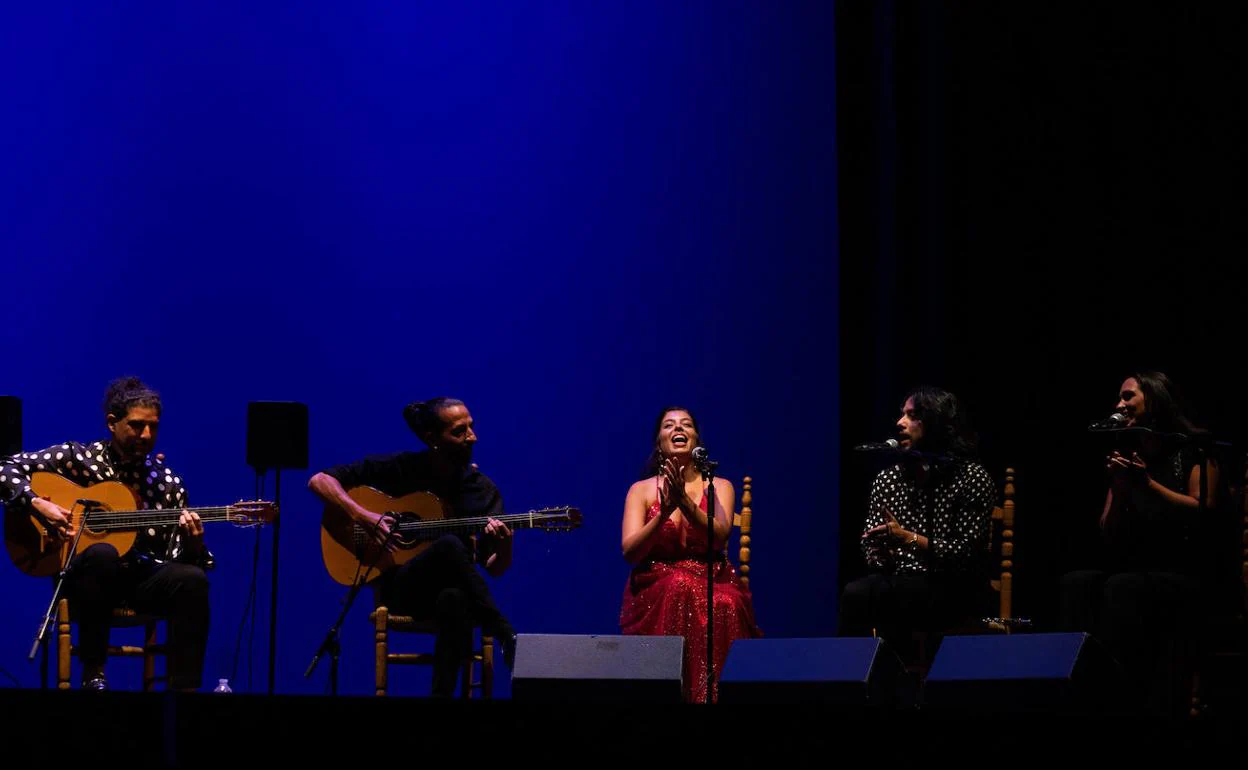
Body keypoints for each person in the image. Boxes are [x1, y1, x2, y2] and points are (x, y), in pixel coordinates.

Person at [0, 377, 212, 691]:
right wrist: (36, 505)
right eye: (137, 426)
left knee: (193, 579)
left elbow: (174, 559)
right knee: (102, 553)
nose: (147, 435)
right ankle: (93, 674)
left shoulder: (167, 482)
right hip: (84, 582)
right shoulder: (76, 459)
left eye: (153, 427)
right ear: (112, 423)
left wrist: (194, 543)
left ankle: (184, 691)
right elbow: (4, 467)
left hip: (138, 581)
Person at [308, 397, 517, 697]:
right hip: (402, 589)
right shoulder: (403, 469)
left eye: (471, 427)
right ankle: (503, 631)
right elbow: (319, 480)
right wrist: (363, 516)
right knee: (447, 545)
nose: (472, 437)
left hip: (455, 596)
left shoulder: (481, 491)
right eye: (459, 431)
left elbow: (494, 568)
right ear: (432, 439)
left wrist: (505, 545)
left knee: (454, 599)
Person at [1059, 370, 1222, 714]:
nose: (1120, 404)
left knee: (1122, 587)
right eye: (1119, 397)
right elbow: (1108, 532)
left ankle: (1125, 695)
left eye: (1128, 396)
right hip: (1139, 568)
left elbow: (1202, 509)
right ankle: (1079, 692)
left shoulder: (1192, 449)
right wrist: (1120, 488)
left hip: (1185, 571)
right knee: (1076, 583)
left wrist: (1145, 485)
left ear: (1155, 399)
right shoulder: (1127, 455)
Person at [838, 386, 996, 665]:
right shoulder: (888, 479)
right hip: (901, 580)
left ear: (935, 422)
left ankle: (914, 679)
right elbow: (871, 548)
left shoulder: (972, 477)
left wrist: (908, 538)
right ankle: (855, 681)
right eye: (902, 415)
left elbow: (966, 553)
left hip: (955, 583)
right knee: (856, 593)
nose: (900, 423)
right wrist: (881, 551)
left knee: (912, 596)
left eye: (912, 416)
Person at [619, 406, 760, 703]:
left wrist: (685, 502)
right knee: (678, 587)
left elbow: (720, 536)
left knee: (727, 603)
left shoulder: (719, 485)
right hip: (657, 582)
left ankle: (718, 696)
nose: (678, 429)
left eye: (686, 424)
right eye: (669, 425)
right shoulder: (641, 490)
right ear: (659, 441)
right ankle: (675, 694)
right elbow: (630, 551)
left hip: (713, 576)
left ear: (696, 438)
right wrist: (664, 514)